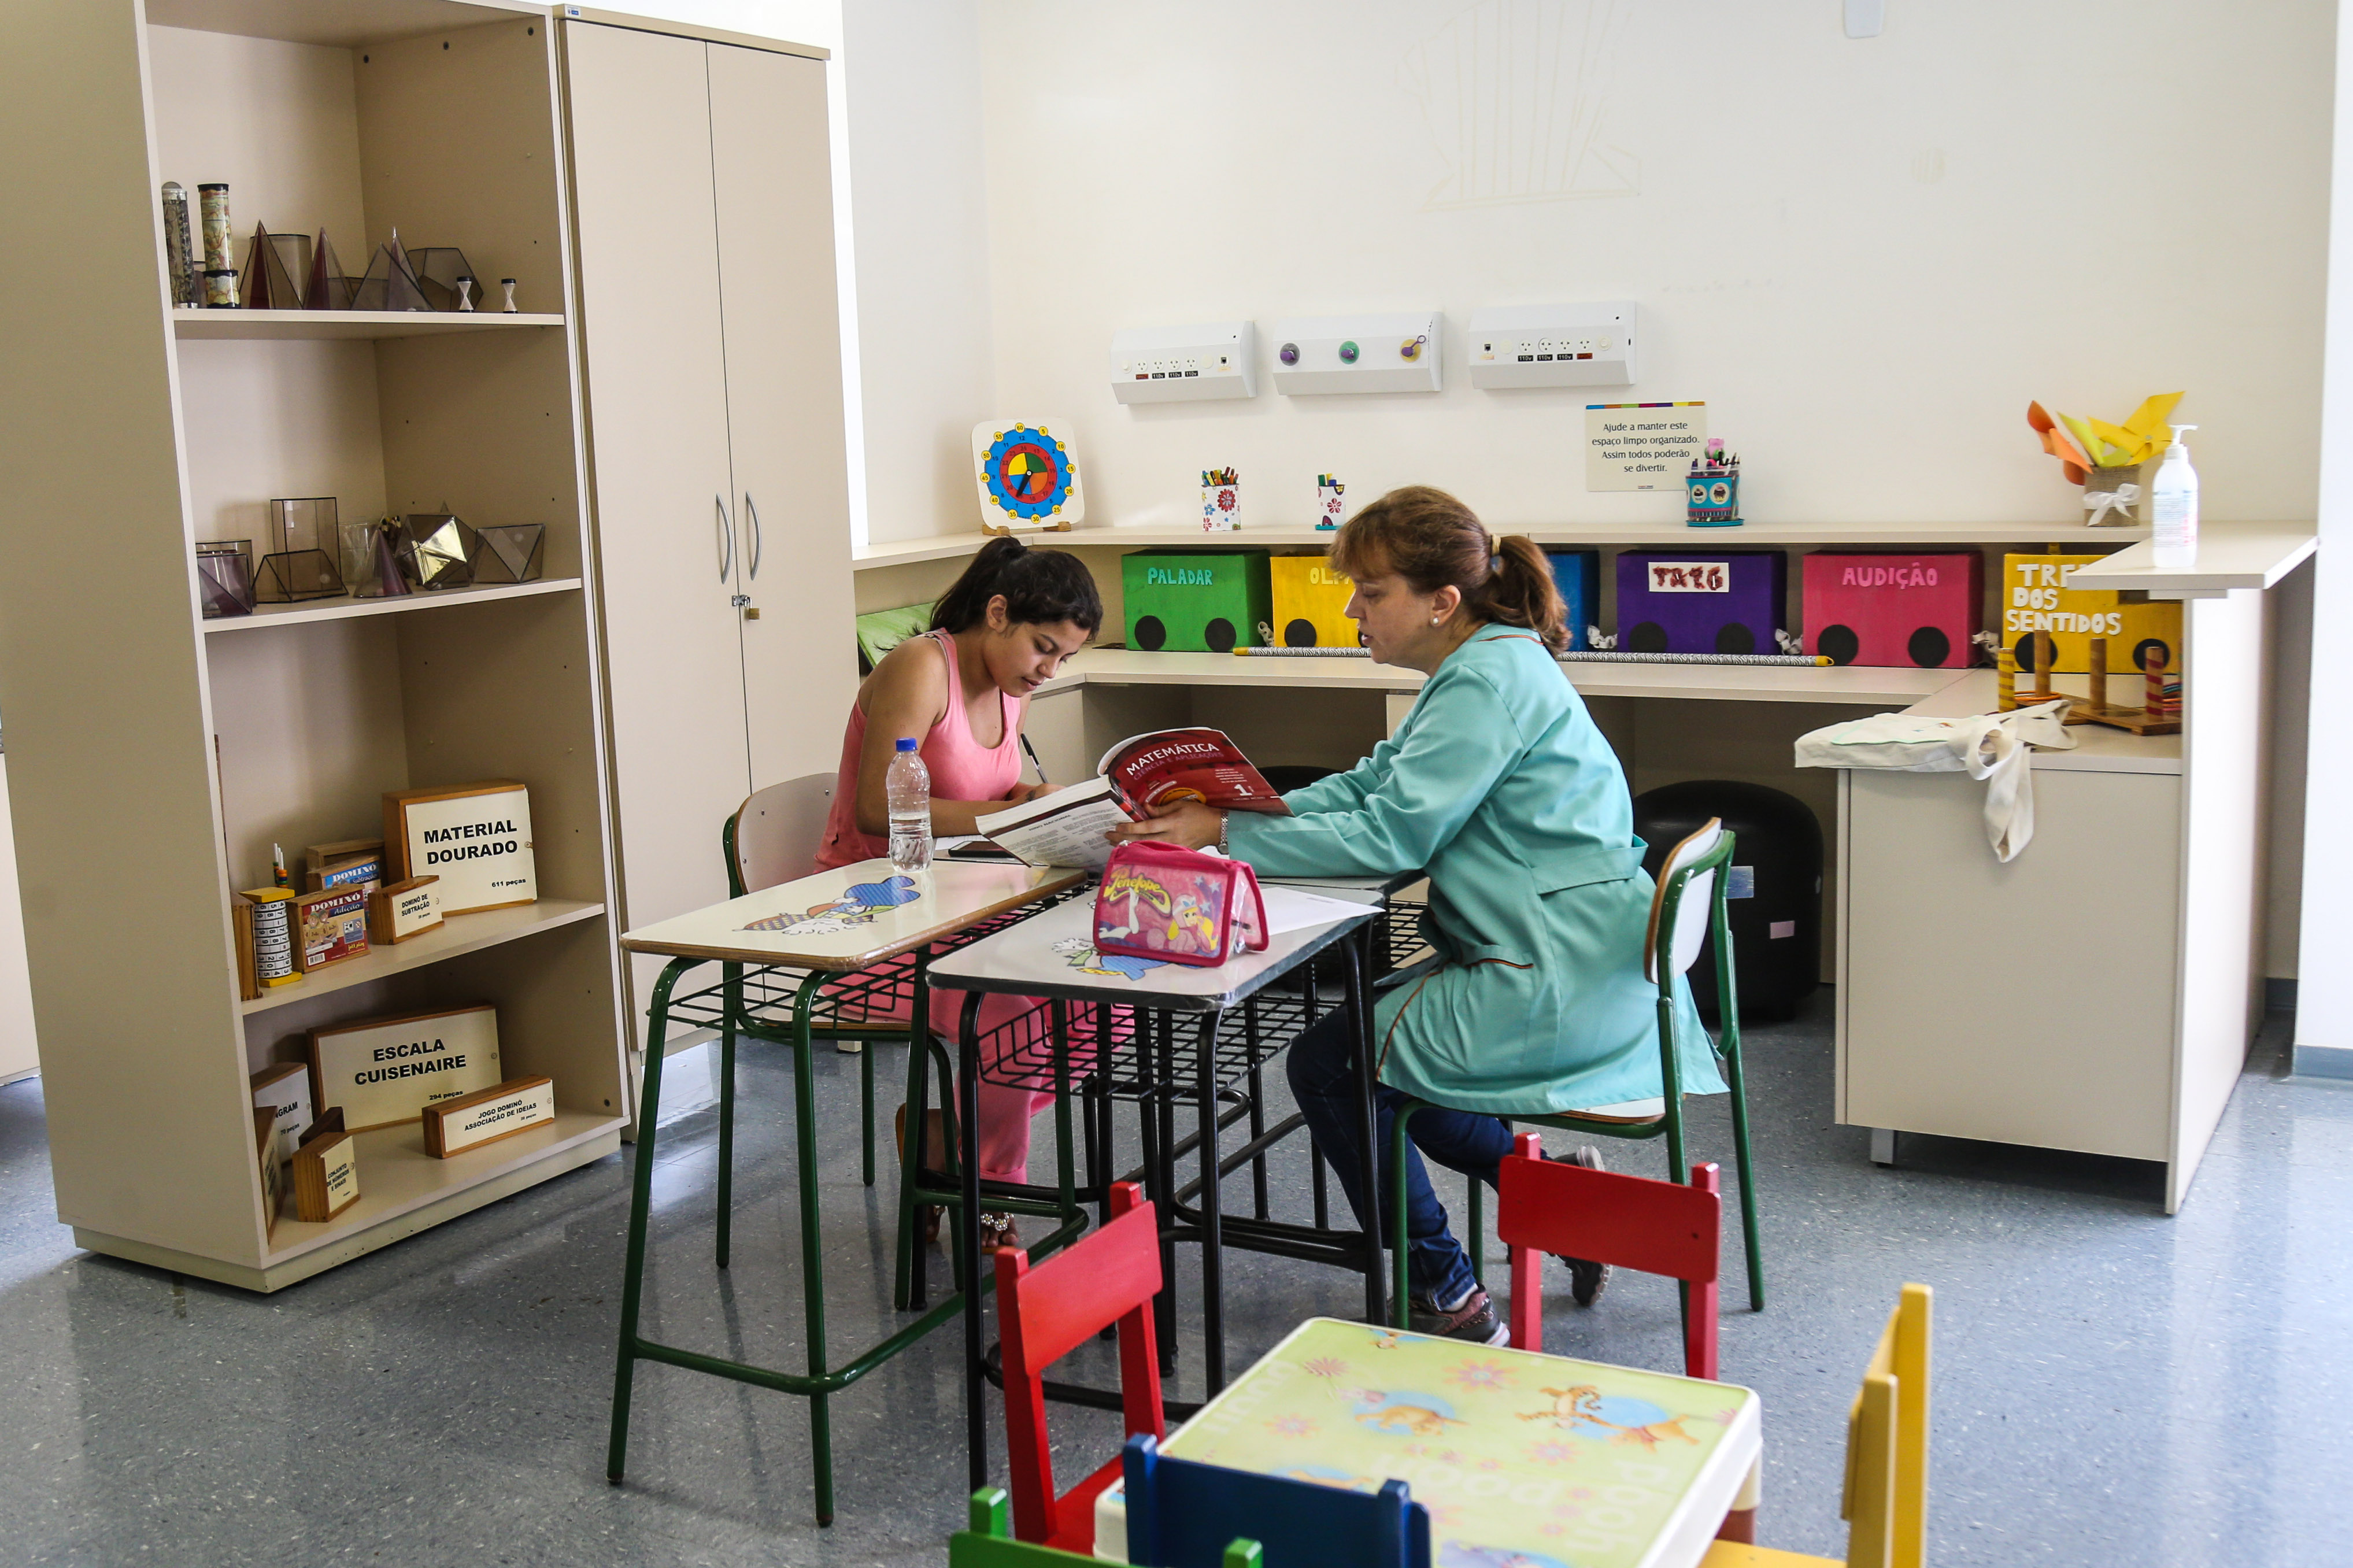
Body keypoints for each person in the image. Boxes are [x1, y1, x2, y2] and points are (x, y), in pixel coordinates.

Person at [1114, 486, 1724, 1344]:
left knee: (1331, 1067)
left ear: (1442, 602)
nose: (1351, 610)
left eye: (1370, 593)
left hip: (1551, 973)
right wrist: (1245, 807)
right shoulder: (1486, 661)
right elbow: (1375, 783)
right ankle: (1552, 1197)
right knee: (1386, 1063)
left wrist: (1229, 834)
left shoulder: (1482, 682)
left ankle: (1447, 1286)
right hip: (1574, 953)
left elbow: (1394, 833)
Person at [815, 535, 1099, 1251]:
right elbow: (877, 814)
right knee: (1010, 1015)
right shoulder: (920, 667)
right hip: (872, 920)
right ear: (997, 613)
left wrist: (1035, 797)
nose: (1048, 670)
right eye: (1043, 648)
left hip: (964, 905)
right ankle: (994, 1191)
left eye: (1064, 658)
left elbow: (987, 793)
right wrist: (1015, 816)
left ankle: (947, 1142)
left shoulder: (1010, 689)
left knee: (1103, 999)